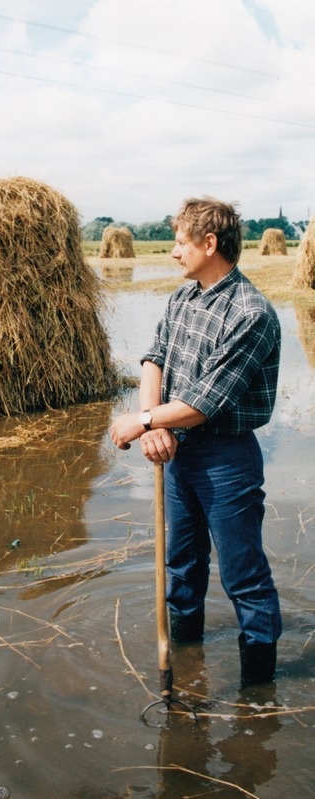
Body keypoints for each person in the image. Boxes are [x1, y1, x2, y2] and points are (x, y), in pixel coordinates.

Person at [110, 196, 282, 685]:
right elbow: (154, 360)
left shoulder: (251, 312)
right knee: (181, 567)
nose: (172, 253)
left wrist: (139, 422)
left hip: (227, 459)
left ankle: (258, 694)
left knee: (243, 577)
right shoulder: (182, 298)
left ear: (210, 244)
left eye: (180, 243)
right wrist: (155, 422)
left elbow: (205, 403)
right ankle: (184, 668)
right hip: (178, 451)